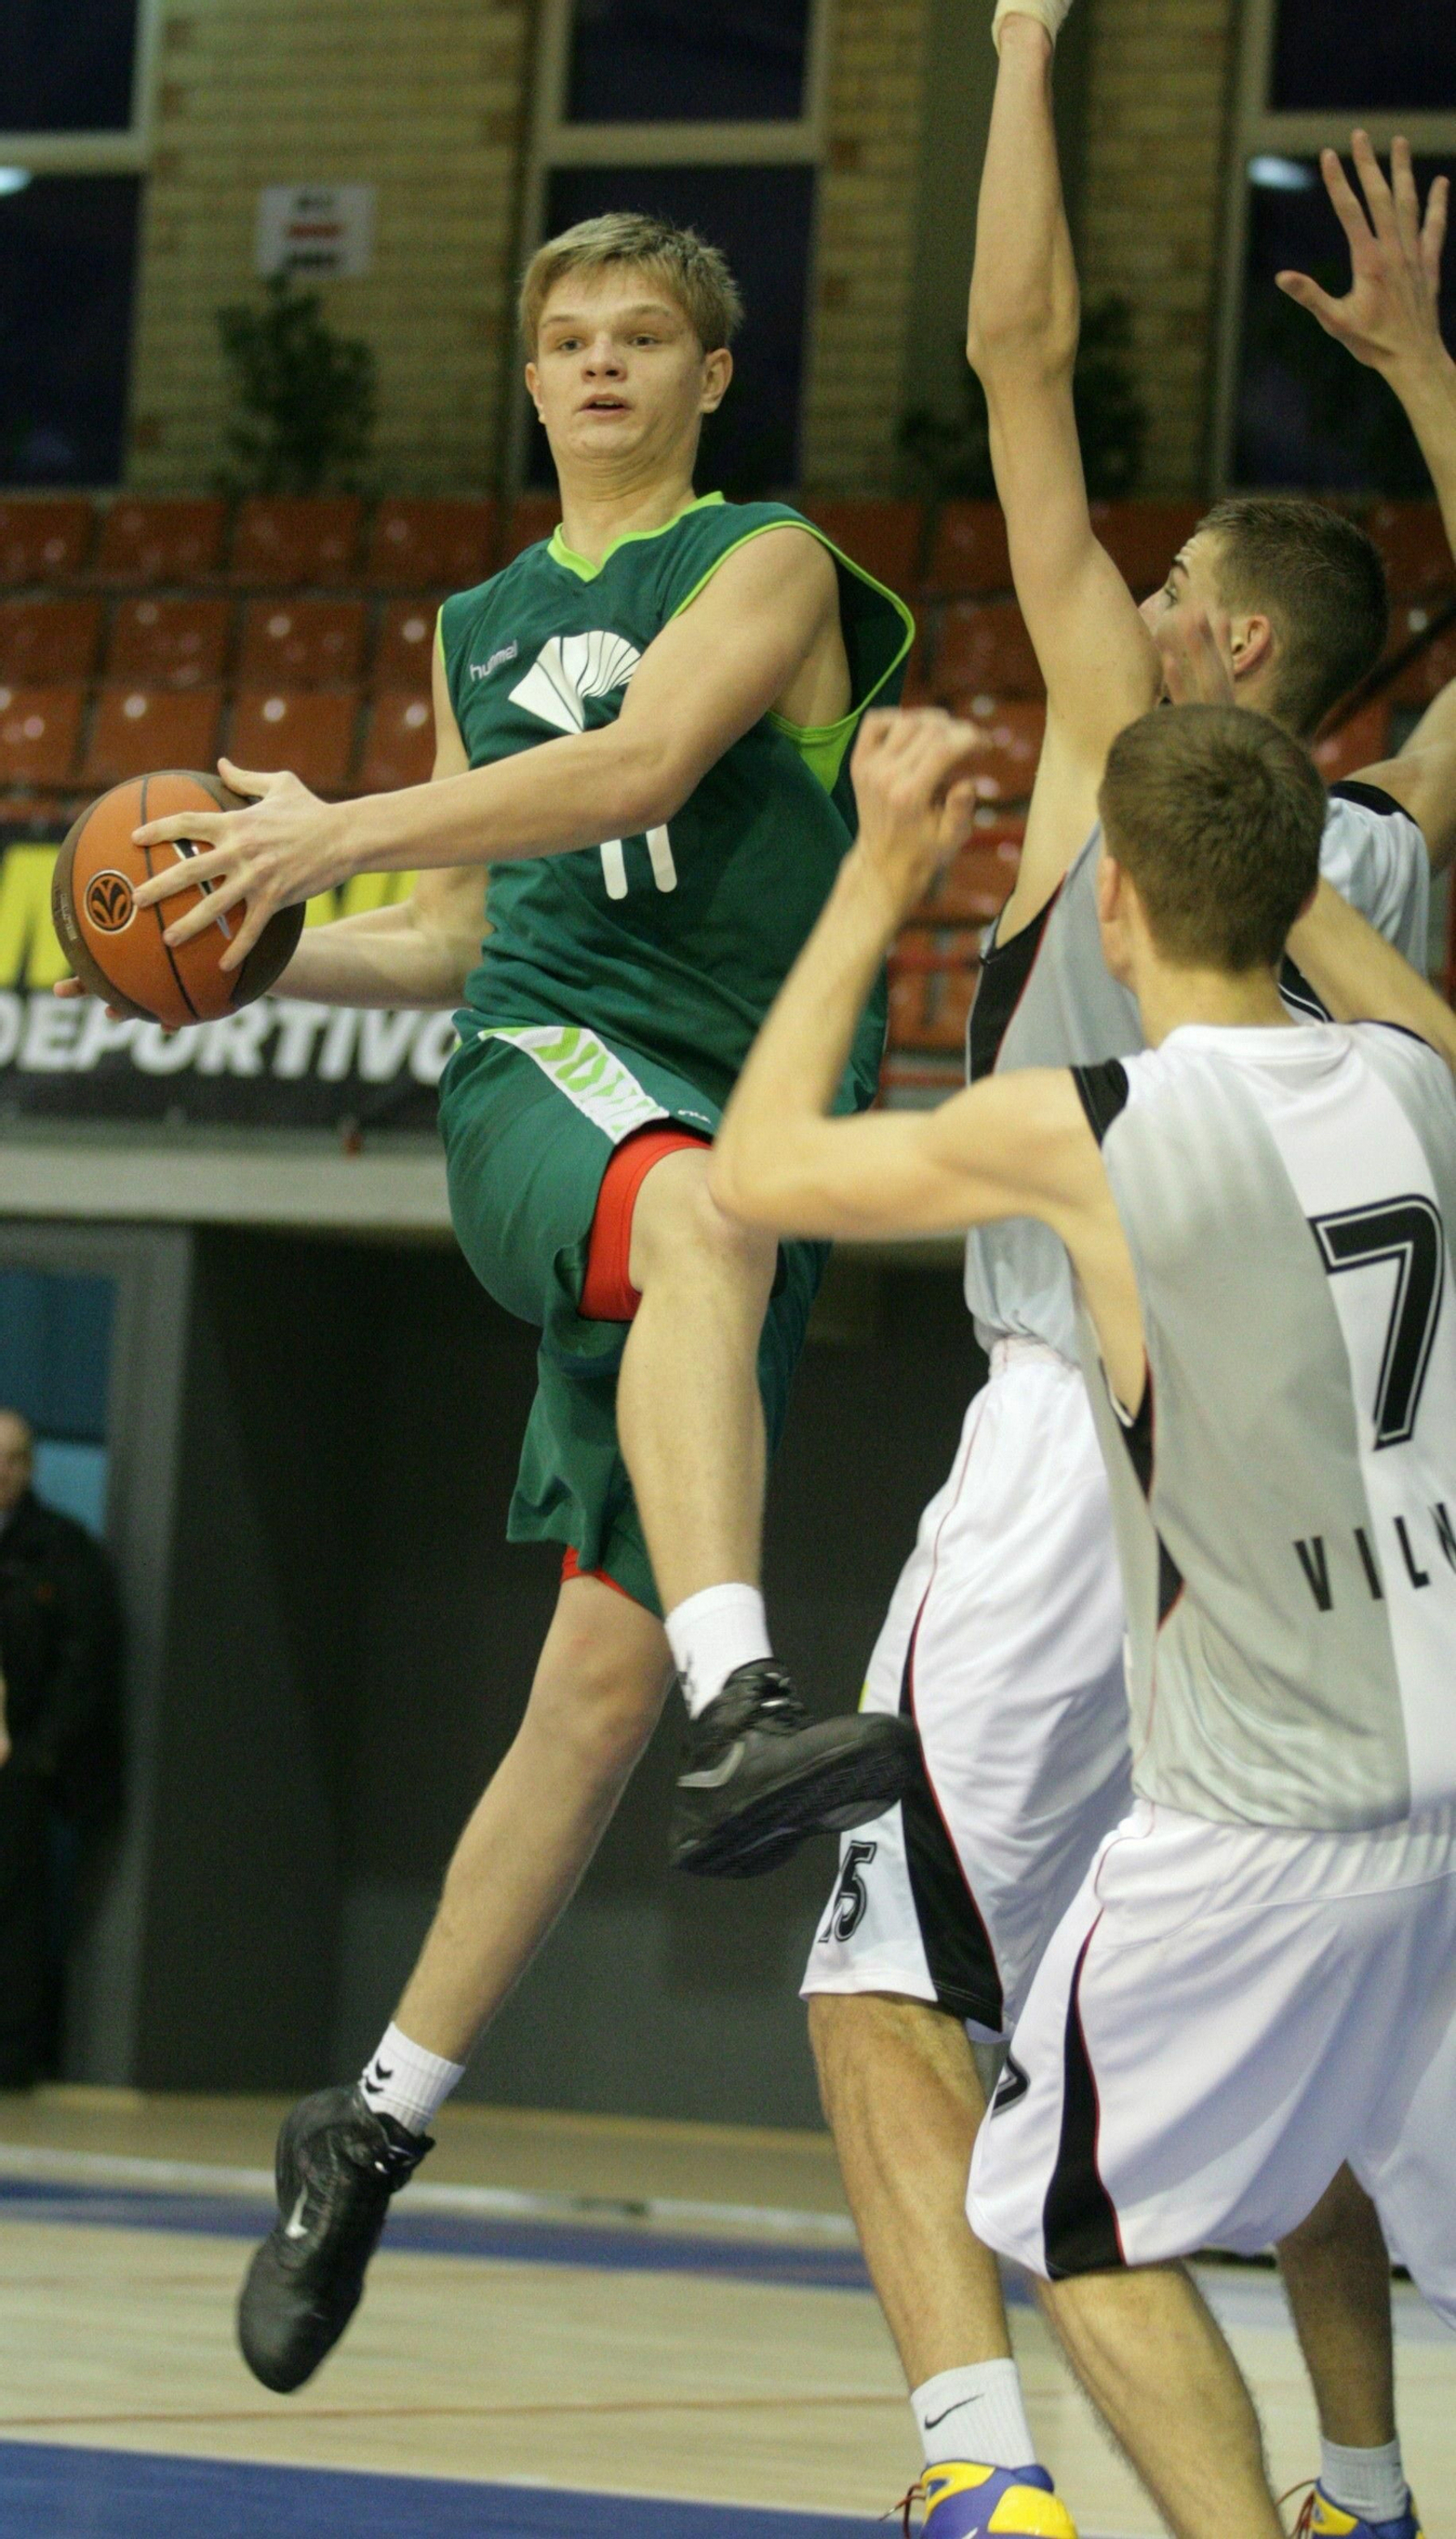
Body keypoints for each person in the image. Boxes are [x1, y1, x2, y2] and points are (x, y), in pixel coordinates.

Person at [127, 212, 919, 2392]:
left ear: (708, 370)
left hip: (742, 1136)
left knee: (584, 1695)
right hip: (558, 1097)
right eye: (563, 336)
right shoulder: (476, 618)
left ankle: (366, 2118)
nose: (593, 364)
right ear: (532, 368)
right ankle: (751, 1701)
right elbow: (466, 936)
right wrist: (273, 946)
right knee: (684, 1224)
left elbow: (642, 769)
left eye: (638, 335)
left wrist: (321, 859)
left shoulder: (759, 564)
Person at [799, 8, 1456, 2530]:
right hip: (1330, 1546)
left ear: (1226, 657)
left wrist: (1025, 58)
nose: (1140, 590)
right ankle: (1362, 2484)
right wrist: (1417, 376)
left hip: (1085, 1432)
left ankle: (986, 2481)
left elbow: (1016, 360)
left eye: (1174, 589)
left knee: (882, 1968)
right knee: (1273, 2068)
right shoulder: (1388, 852)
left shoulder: (1124, 747)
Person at [712, 697, 1456, 2539]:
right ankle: (1358, 2504)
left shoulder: (1092, 1129)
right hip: (1439, 1792)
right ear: (1299, 892)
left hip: (1261, 1805)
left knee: (1053, 2203)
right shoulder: (1413, 1081)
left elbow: (761, 1171)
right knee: (1319, 2151)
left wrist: (876, 883)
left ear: (1105, 902)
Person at [0, 1408, 123, 2088]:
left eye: (14, 1458)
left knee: (15, 1909)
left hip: (18, 1766)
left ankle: (13, 2052)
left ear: (31, 1467)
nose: (2, 1471)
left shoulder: (61, 1550)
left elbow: (85, 1664)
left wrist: (38, 1756)